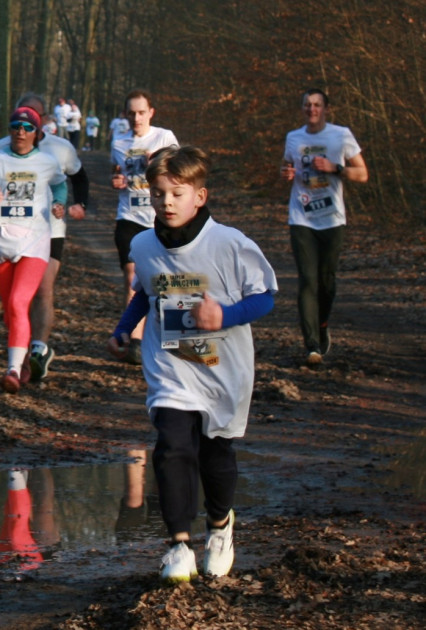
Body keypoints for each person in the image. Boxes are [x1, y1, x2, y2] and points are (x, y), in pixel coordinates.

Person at [107, 146, 277, 583]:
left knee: (215, 451)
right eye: (159, 193)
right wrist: (125, 328)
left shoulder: (230, 243)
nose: (166, 202)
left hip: (223, 366)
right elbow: (147, 292)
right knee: (173, 445)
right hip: (172, 365)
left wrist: (224, 315)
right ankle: (178, 545)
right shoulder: (142, 244)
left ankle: (220, 527)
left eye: (177, 193)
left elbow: (265, 296)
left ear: (199, 196)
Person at [0, 107, 67, 393]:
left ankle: (10, 369)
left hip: (35, 243)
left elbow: (60, 185)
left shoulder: (47, 162)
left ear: (37, 133)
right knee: (10, 311)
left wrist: (59, 204)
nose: (20, 132)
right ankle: (21, 362)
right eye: (15, 126)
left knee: (20, 303)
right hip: (1, 243)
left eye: (27, 127)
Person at [0, 93, 89, 382]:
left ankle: (37, 349)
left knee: (42, 290)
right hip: (9, 234)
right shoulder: (0, 148)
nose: (25, 122)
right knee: (15, 301)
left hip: (49, 230)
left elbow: (79, 177)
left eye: (33, 116)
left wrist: (78, 204)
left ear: (44, 119)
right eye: (20, 115)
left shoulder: (60, 148)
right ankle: (19, 356)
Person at [281, 88, 368, 365]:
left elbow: (362, 174)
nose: (312, 109)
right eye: (307, 104)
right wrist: (287, 172)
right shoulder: (294, 138)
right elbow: (286, 167)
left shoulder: (340, 135)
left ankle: (322, 325)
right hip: (301, 217)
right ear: (302, 108)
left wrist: (335, 169)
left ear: (325, 109)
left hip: (332, 218)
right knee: (308, 279)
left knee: (326, 282)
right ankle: (312, 347)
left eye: (317, 105)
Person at [110, 89, 179, 364]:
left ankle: (169, 336)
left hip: (161, 217)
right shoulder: (118, 143)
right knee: (132, 279)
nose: (137, 118)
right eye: (132, 113)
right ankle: (136, 342)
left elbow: (179, 172)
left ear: (151, 112)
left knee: (166, 280)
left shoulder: (165, 137)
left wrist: (159, 162)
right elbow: (119, 176)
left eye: (142, 112)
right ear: (126, 115)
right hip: (128, 216)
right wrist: (116, 182)